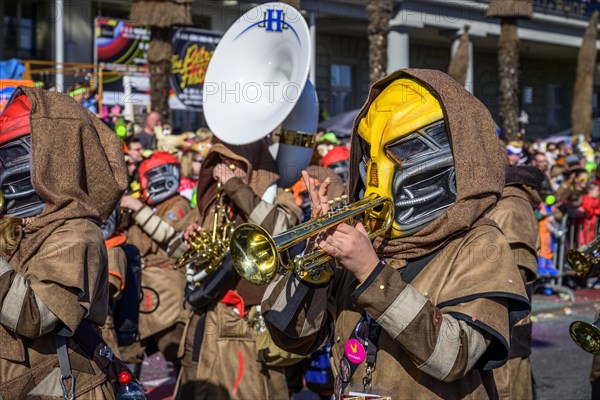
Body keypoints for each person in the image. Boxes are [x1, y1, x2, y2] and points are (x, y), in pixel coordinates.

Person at [261, 69, 530, 399]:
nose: (377, 172)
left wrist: (372, 274)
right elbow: (290, 336)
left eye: (403, 150)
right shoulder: (368, 241)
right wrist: (315, 264)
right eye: (372, 152)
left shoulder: (480, 243)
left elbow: (455, 357)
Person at [0, 86, 128, 398]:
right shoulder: (18, 224)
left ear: (55, 157)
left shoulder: (78, 232)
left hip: (61, 388)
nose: (5, 166)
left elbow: (34, 315)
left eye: (14, 153)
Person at [172, 140, 302, 399]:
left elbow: (282, 231)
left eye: (235, 163)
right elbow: (174, 250)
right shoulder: (213, 202)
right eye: (220, 162)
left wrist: (235, 185)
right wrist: (190, 240)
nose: (225, 169)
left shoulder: (279, 196)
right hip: (206, 318)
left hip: (248, 325)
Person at [119, 152, 191, 374]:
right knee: (128, 352)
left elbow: (169, 235)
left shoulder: (178, 203)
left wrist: (137, 208)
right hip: (135, 290)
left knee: (176, 347)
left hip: (165, 290)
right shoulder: (139, 202)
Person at [486, 166, 545, 400]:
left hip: (497, 323)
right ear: (530, 188)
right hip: (508, 327)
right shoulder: (516, 209)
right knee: (509, 387)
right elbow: (514, 287)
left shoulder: (503, 202)